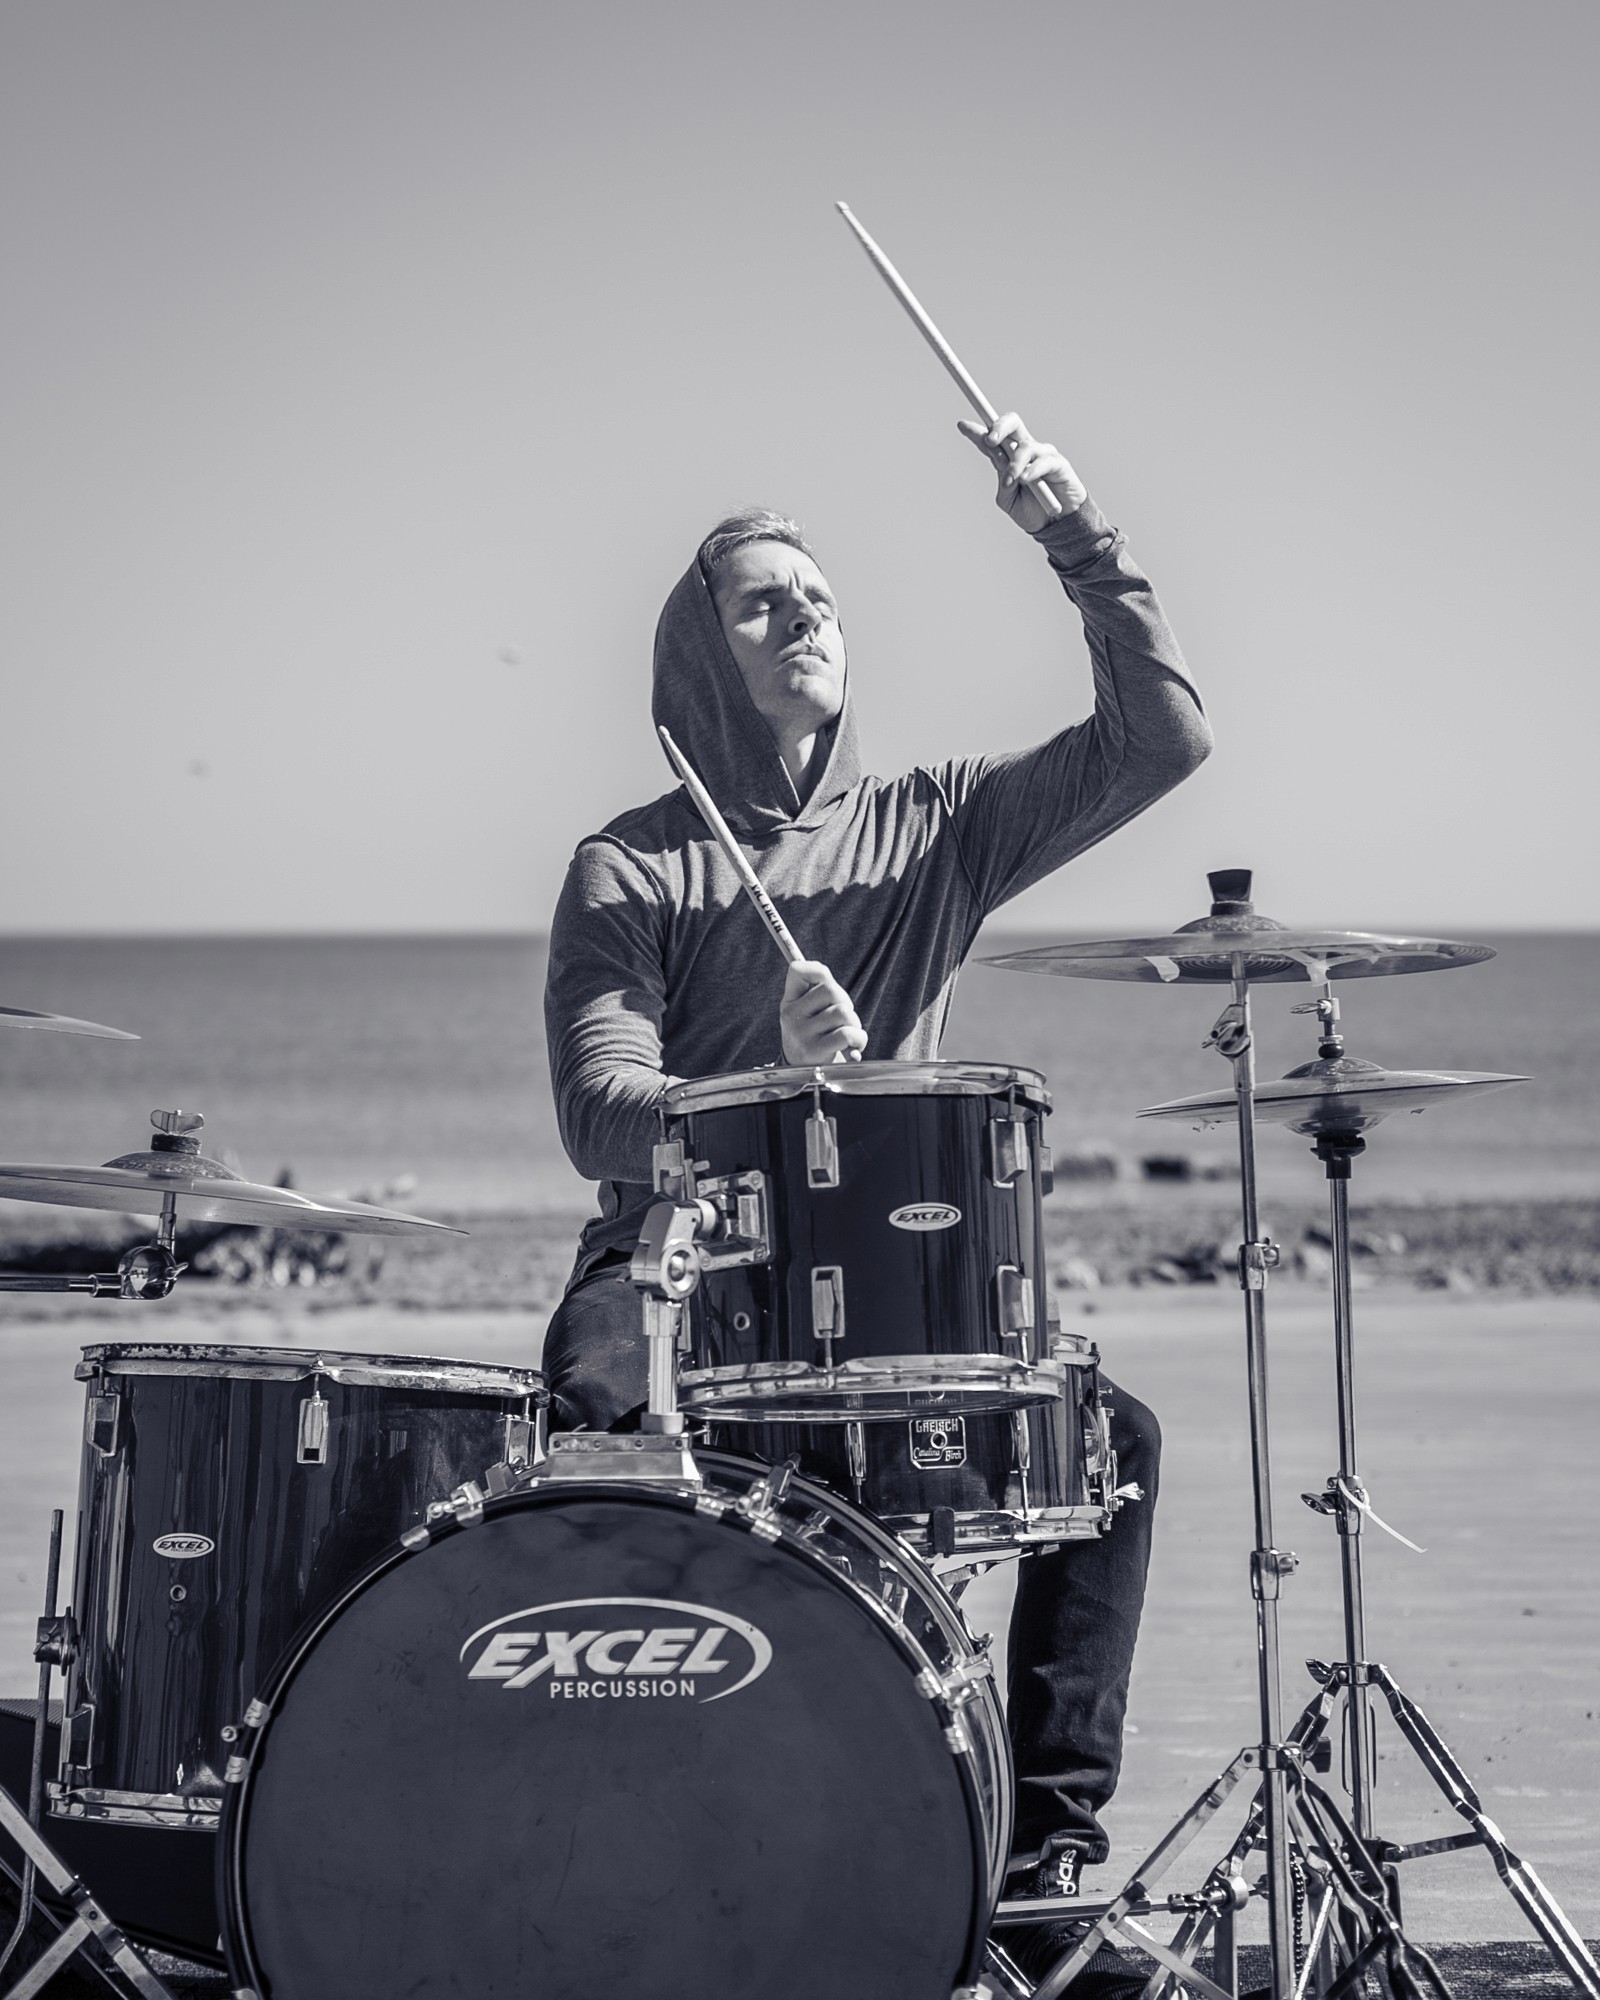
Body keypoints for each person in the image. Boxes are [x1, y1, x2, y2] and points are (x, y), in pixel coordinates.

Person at [542, 412, 1212, 1995]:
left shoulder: (941, 827)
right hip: (671, 1270)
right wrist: (751, 1088)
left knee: (1108, 1441)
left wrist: (1077, 538)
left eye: (821, 595)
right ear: (699, 652)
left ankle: (1047, 1864)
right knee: (599, 1409)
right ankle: (619, 1831)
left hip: (886, 1286)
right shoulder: (629, 867)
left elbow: (1163, 744)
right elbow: (594, 1111)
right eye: (761, 601)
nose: (805, 616)